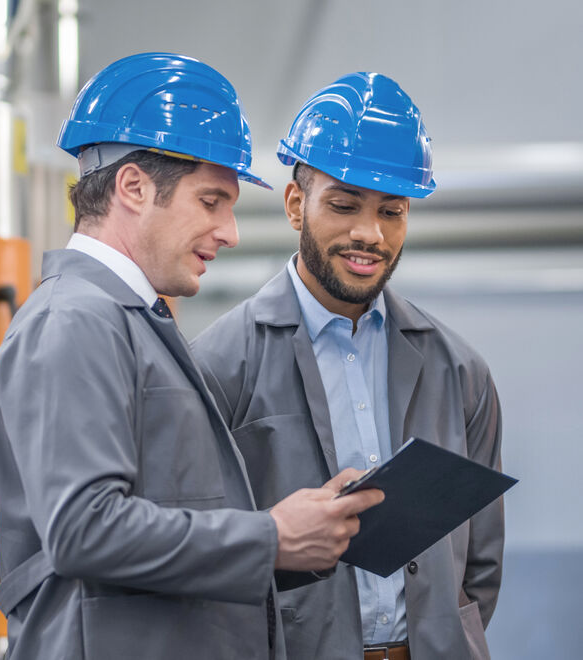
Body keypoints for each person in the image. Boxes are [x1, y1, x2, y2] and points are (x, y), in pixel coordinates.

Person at [0, 54, 384, 660]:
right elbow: (83, 530)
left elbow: (161, 538)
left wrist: (301, 539)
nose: (230, 231)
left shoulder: (133, 322)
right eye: (210, 201)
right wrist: (271, 536)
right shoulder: (72, 321)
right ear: (134, 187)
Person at [191, 72, 504, 660]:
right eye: (343, 205)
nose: (370, 234)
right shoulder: (218, 366)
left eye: (392, 211)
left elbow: (480, 564)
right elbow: (203, 561)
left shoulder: (459, 371)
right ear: (294, 204)